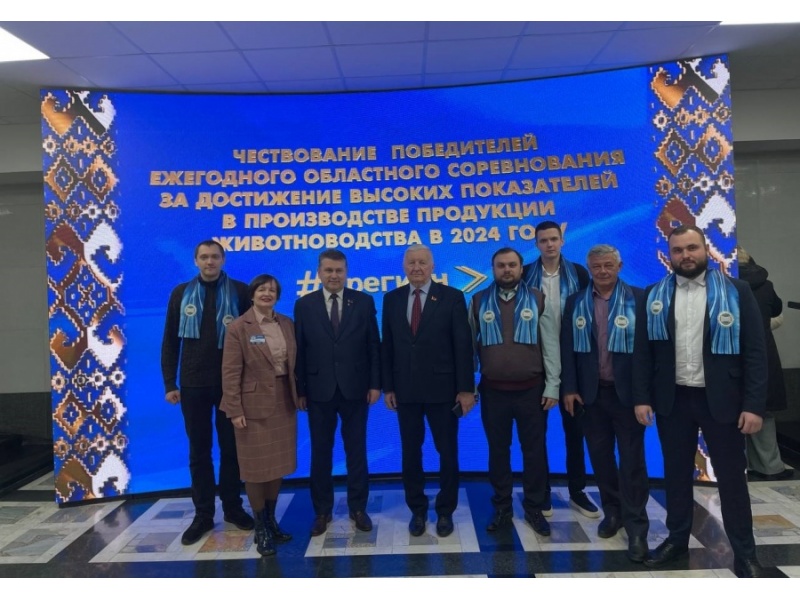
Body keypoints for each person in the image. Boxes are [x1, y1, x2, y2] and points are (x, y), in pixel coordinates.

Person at [633, 225, 769, 577]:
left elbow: (756, 352)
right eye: (678, 250)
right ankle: (677, 540)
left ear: (705, 249)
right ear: (669, 255)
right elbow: (643, 353)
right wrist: (641, 398)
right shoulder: (654, 294)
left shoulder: (736, 291)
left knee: (732, 480)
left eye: (691, 248)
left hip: (723, 401)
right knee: (676, 476)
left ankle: (745, 553)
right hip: (673, 400)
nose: (686, 255)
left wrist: (754, 405)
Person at [161, 239, 254, 545]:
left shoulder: (241, 292)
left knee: (232, 450)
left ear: (223, 259)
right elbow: (170, 341)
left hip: (231, 385)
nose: (210, 261)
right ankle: (203, 514)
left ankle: (233, 508)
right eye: (204, 257)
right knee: (199, 452)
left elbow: (251, 339)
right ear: (196, 261)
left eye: (215, 256)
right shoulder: (180, 293)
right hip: (193, 384)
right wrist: (170, 383)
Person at [560, 244, 649, 562]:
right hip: (591, 395)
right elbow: (567, 348)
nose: (602, 271)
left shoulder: (639, 299)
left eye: (608, 265)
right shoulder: (576, 302)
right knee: (600, 458)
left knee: (632, 461)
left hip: (628, 397)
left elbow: (648, 352)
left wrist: (644, 397)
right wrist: (570, 388)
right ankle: (613, 512)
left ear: (619, 266)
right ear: (589, 269)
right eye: (596, 266)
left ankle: (637, 526)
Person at [381, 244, 475, 538]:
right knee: (411, 452)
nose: (417, 268)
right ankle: (418, 510)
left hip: (443, 391)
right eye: (411, 263)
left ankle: (445, 510)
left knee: (447, 451)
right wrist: (388, 386)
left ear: (433, 266)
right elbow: (388, 346)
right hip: (405, 391)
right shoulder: (392, 299)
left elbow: (463, 345)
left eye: (422, 262)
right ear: (404, 267)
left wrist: (466, 389)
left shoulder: (452, 297)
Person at [470, 247, 559, 536]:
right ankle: (502, 508)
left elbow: (550, 345)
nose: (506, 270)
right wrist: (469, 386)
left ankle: (534, 508)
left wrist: (553, 385)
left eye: (512, 265)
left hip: (532, 392)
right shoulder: (478, 300)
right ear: (493, 269)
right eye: (501, 265)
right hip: (493, 392)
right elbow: (470, 348)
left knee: (534, 452)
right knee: (498, 452)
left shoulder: (538, 299)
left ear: (521, 269)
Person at [294, 249, 381, 537]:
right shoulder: (304, 305)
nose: (334, 275)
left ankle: (358, 508)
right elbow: (300, 350)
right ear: (319, 273)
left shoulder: (364, 301)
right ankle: (322, 511)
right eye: (329, 270)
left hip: (356, 389)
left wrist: (375, 384)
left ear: (346, 272)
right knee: (320, 452)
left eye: (339, 270)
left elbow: (373, 346)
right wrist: (300, 389)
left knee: (356, 451)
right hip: (318, 391)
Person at [521, 220, 599, 519]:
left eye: (554, 239)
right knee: (535, 435)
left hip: (574, 362)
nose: (549, 244)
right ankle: (541, 493)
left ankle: (577, 491)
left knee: (575, 432)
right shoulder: (525, 274)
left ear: (562, 241)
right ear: (537, 244)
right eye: (543, 240)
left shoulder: (578, 273)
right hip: (536, 362)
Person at [221, 274, 299, 556]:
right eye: (262, 289)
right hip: (251, 406)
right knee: (255, 468)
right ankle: (260, 526)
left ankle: (271, 520)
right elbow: (230, 371)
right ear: (252, 294)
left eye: (272, 290)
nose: (267, 293)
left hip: (283, 400)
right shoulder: (239, 327)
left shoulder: (287, 323)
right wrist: (234, 409)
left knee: (277, 465)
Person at [737, 246, 793, 481]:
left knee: (731, 414)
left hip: (731, 356)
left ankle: (742, 465)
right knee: (763, 412)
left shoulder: (723, 286)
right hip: (763, 355)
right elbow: (777, 309)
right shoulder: (766, 285)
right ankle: (770, 466)